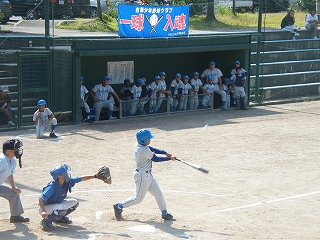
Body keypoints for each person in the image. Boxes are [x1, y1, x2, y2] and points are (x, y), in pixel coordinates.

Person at [113, 129, 176, 221]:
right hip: (142, 176)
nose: (150, 140)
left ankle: (164, 213)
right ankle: (118, 206)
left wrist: (164, 152)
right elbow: (156, 159)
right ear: (143, 140)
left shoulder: (138, 145)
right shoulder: (143, 150)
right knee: (138, 199)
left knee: (158, 193)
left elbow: (151, 148)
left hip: (148, 175)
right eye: (148, 139)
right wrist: (169, 158)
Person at [38, 164, 99, 231]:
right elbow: (41, 199)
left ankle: (60, 219)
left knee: (74, 203)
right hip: (45, 208)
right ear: (60, 176)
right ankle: (46, 221)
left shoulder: (66, 182)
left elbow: (80, 178)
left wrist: (95, 176)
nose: (67, 174)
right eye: (65, 173)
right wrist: (43, 211)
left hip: (56, 205)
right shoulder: (52, 187)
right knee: (61, 209)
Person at [0, 139, 29, 223]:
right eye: (15, 149)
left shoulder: (11, 160)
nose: (18, 151)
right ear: (8, 151)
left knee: (13, 194)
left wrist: (13, 187)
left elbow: (9, 173)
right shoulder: (1, 161)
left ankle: (15, 216)